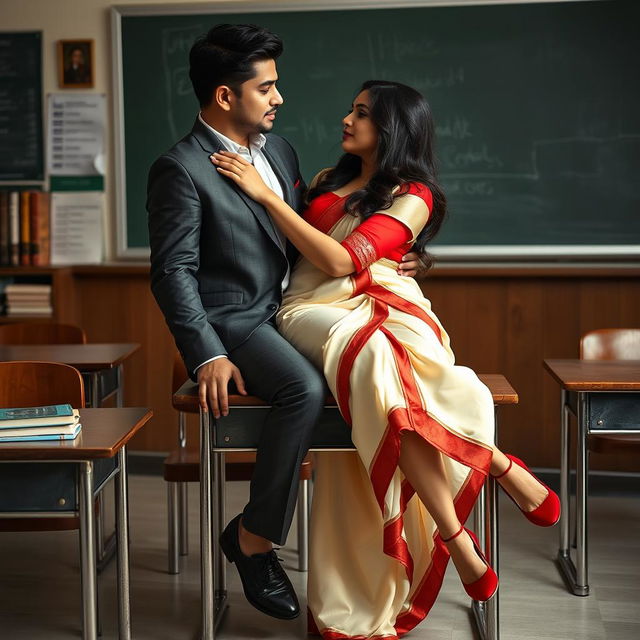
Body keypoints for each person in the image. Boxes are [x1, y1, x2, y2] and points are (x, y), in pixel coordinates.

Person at [211, 79, 561, 638]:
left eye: (364, 114)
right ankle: (493, 468)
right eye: (351, 109)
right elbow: (303, 258)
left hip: (381, 299)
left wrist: (267, 195)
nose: (348, 120)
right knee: (377, 356)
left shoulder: (415, 193)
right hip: (309, 309)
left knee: (398, 376)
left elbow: (342, 258)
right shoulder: (328, 181)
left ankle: (455, 536)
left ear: (394, 128)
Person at [147, 26, 424, 622]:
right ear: (226, 96)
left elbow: (304, 236)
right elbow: (173, 274)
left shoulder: (282, 152)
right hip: (237, 318)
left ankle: (376, 558)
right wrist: (207, 356)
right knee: (303, 390)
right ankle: (254, 541)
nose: (279, 98)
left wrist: (388, 249)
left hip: (299, 312)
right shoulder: (180, 168)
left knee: (389, 373)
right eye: (267, 87)